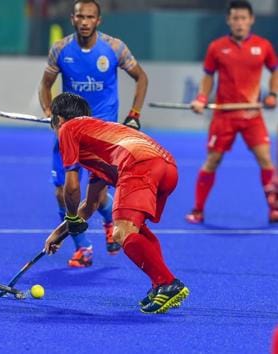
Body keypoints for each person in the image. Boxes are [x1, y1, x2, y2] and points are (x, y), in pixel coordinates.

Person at [43, 92, 189, 314]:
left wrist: (71, 219)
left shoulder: (68, 128)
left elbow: (71, 186)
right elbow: (90, 205)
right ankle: (160, 285)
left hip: (139, 164)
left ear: (59, 119)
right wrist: (59, 233)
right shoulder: (100, 139)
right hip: (167, 166)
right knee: (136, 230)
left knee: (120, 233)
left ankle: (168, 282)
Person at [38, 0, 148, 267]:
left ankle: (109, 220)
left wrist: (134, 114)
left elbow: (141, 78)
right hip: (69, 133)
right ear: (72, 19)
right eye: (80, 16)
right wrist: (48, 110)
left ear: (98, 21)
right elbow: (45, 85)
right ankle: (83, 248)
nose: (85, 21)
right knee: (62, 192)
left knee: (96, 197)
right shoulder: (60, 49)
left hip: (103, 137)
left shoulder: (114, 47)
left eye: (90, 17)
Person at [185, 0, 278, 224]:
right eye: (235, 18)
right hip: (224, 117)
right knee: (212, 161)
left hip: (251, 116)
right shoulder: (216, 47)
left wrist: (273, 94)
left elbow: (275, 70)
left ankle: (274, 208)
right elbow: (207, 77)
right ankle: (198, 210)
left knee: (266, 160)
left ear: (251, 20)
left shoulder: (263, 46)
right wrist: (201, 98)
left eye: (243, 18)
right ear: (229, 20)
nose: (239, 23)